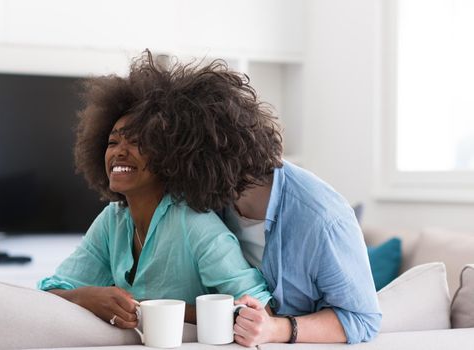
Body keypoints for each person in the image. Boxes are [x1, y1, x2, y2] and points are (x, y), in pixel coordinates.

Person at [131, 53, 381, 345]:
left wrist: (278, 328)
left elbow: (363, 320)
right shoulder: (214, 200)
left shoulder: (322, 219)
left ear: (206, 161)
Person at [37, 50, 273, 329]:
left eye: (137, 142)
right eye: (112, 142)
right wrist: (86, 297)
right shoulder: (113, 219)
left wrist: (156, 310)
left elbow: (258, 311)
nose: (119, 153)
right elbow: (49, 293)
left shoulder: (194, 223)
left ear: (170, 156)